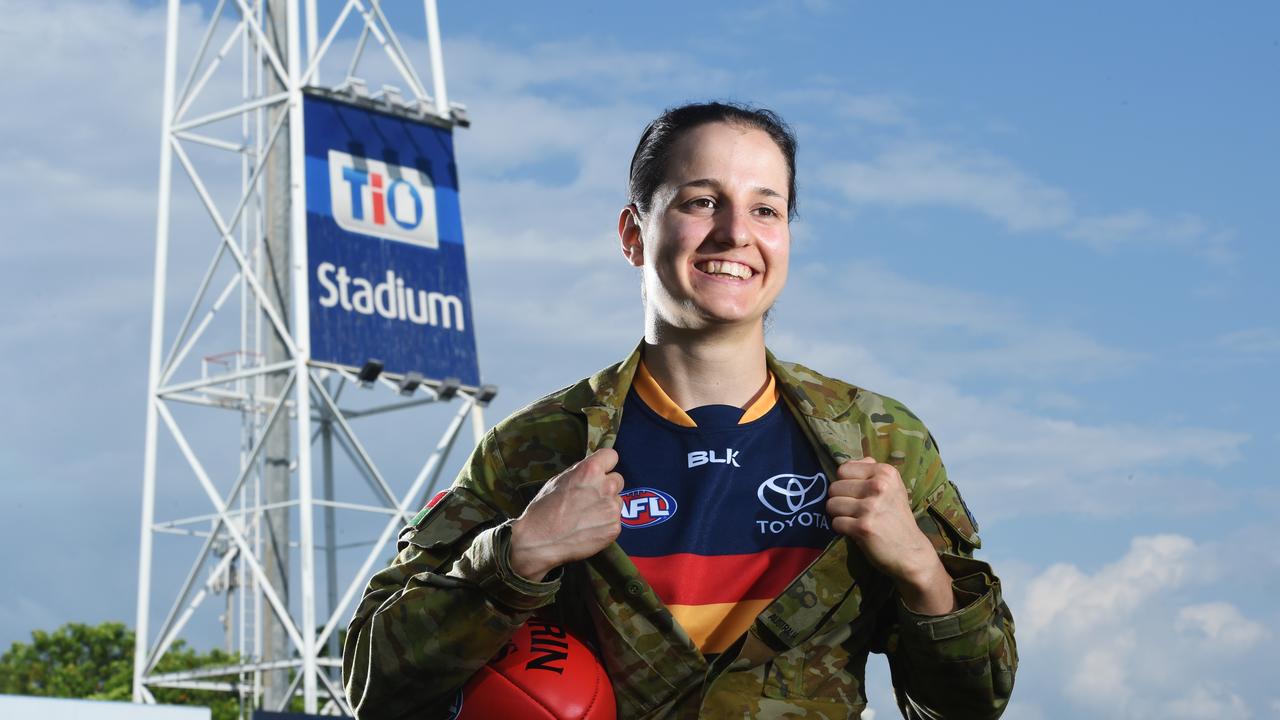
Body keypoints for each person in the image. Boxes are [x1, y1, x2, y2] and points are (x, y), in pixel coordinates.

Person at [343, 102, 1017, 719]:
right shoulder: (537, 449)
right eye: (701, 202)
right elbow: (373, 681)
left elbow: (969, 705)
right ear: (633, 234)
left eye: (765, 210)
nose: (734, 233)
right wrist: (515, 558)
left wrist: (924, 575)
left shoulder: (880, 442)